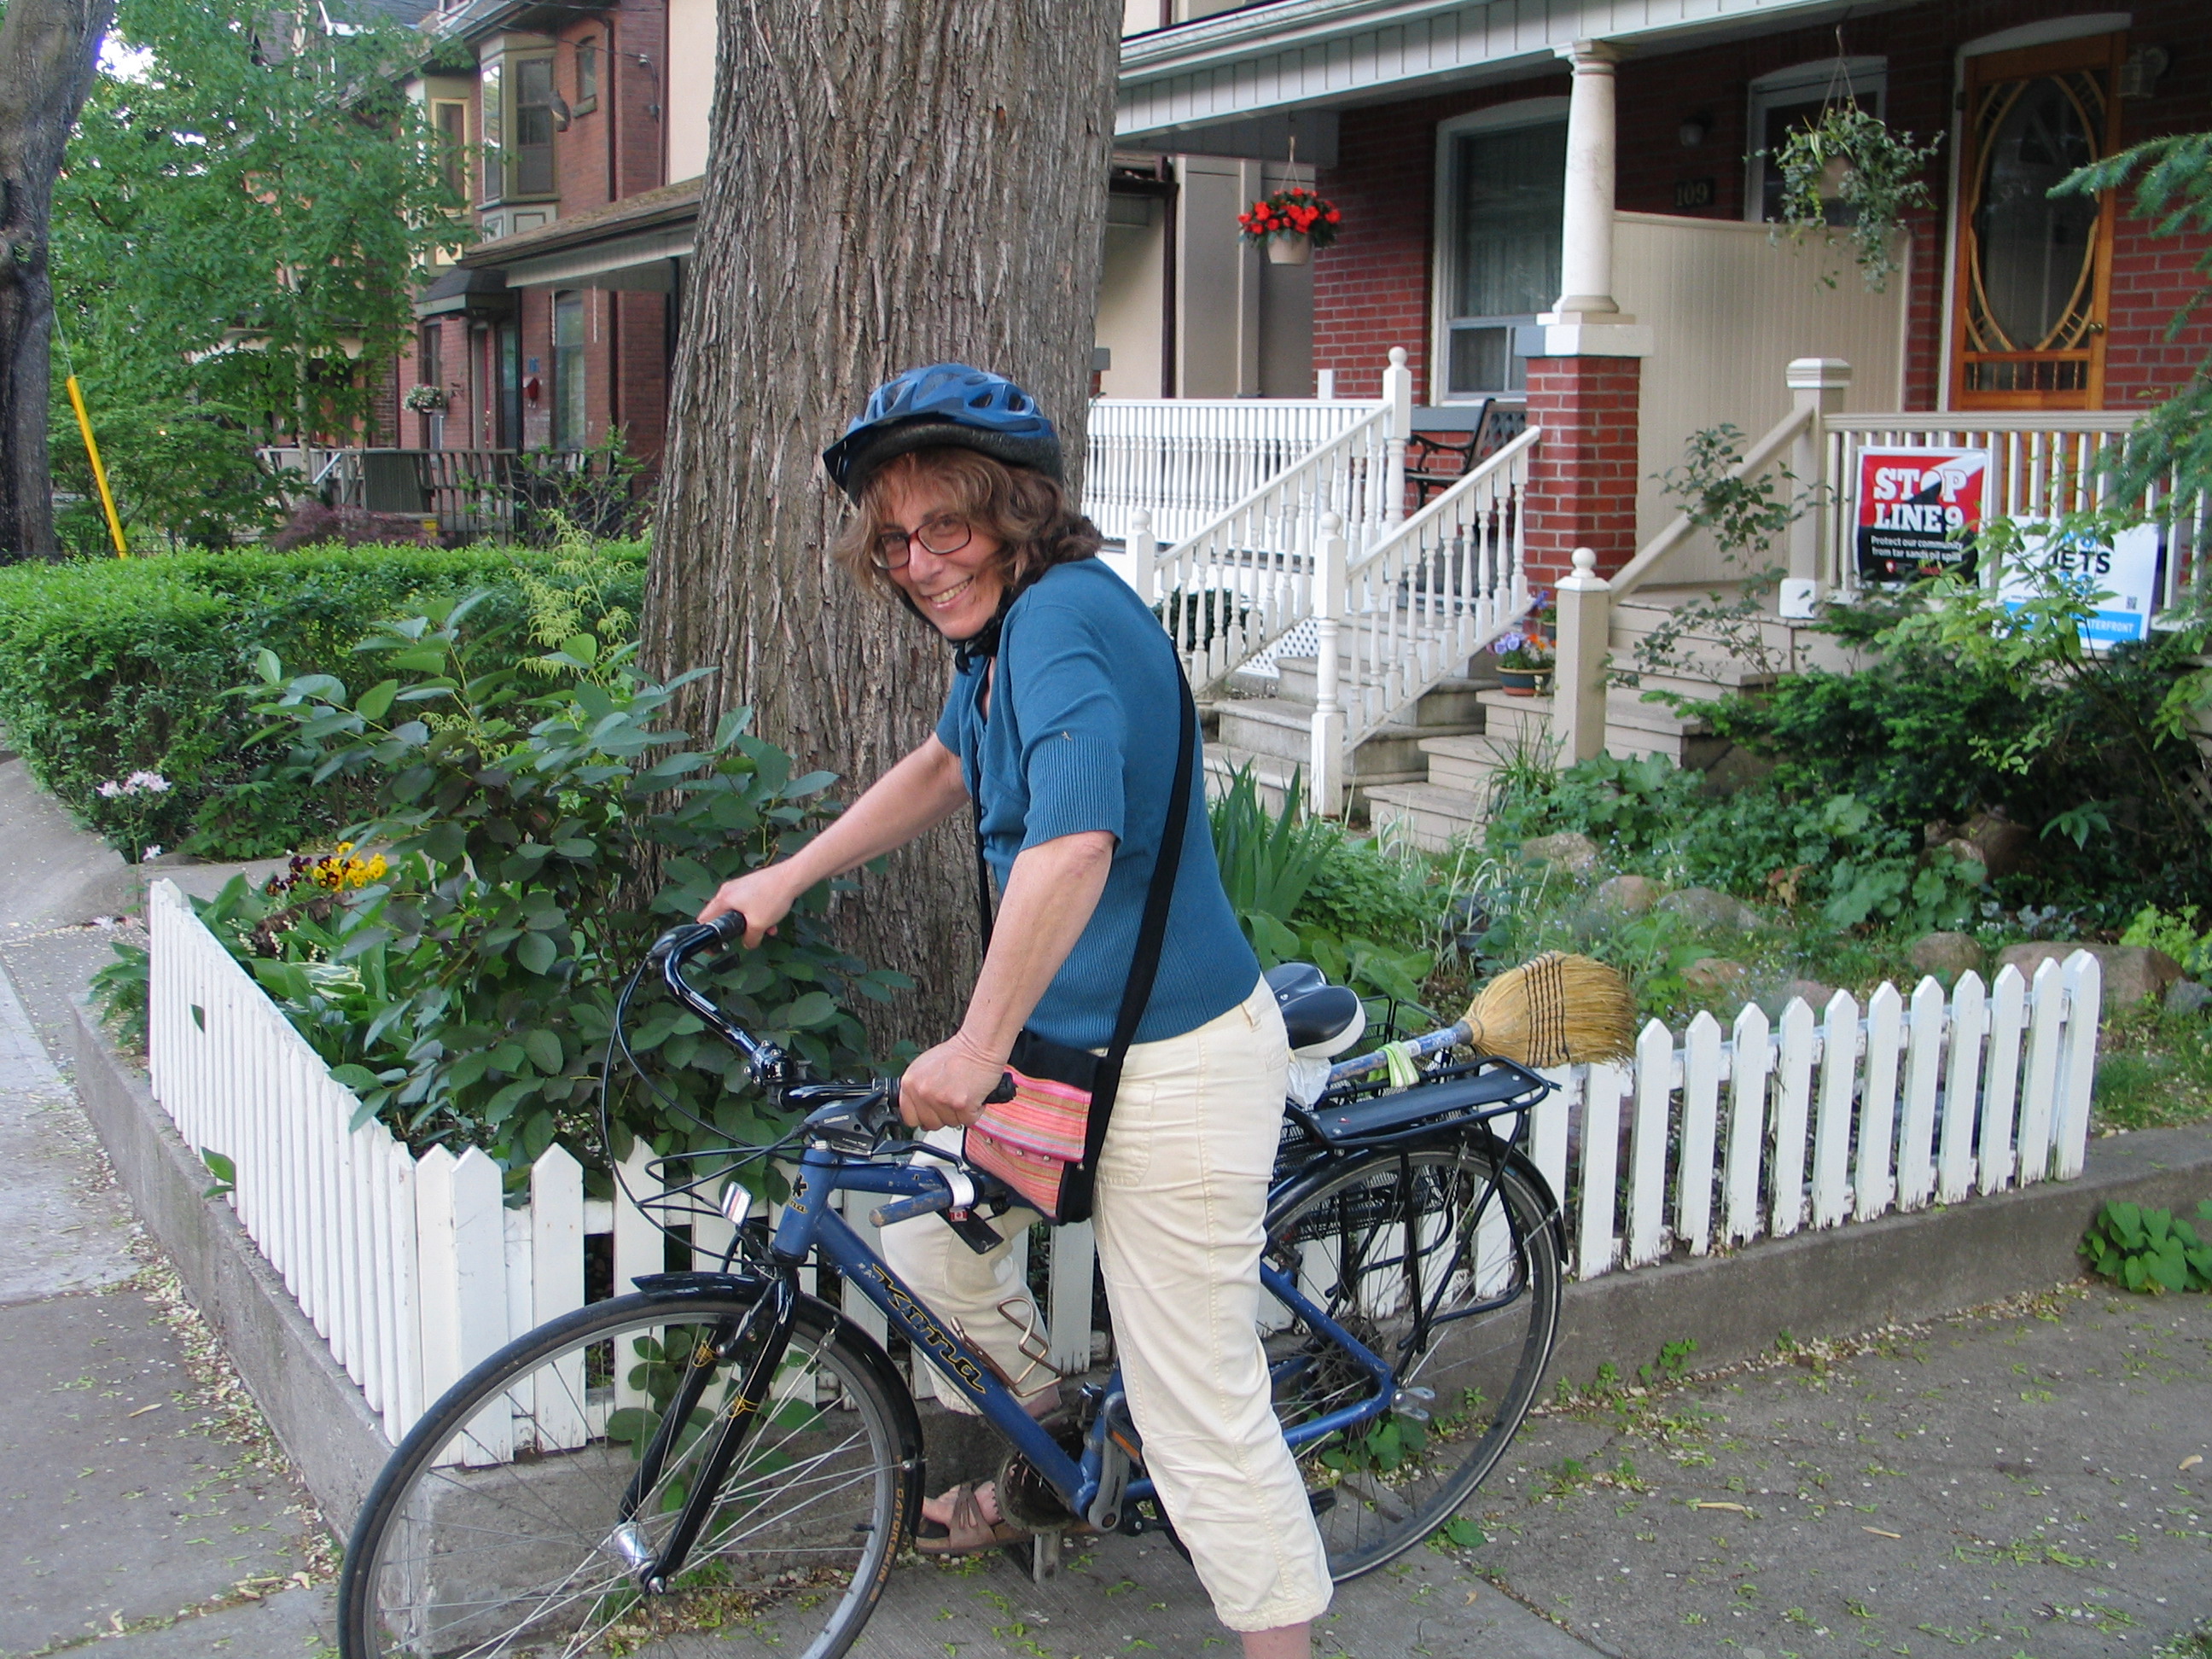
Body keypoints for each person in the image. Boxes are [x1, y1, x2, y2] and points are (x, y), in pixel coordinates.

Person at [698, 364, 1331, 1656]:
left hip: (1175, 1066)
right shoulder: (1000, 640)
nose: (921, 562)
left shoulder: (1059, 625)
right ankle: (1068, 1449)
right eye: (895, 539)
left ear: (1019, 511)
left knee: (1203, 1404)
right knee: (930, 1240)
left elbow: (1073, 846)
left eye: (949, 526)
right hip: (1068, 1057)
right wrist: (787, 873)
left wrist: (977, 1046)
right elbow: (944, 764)